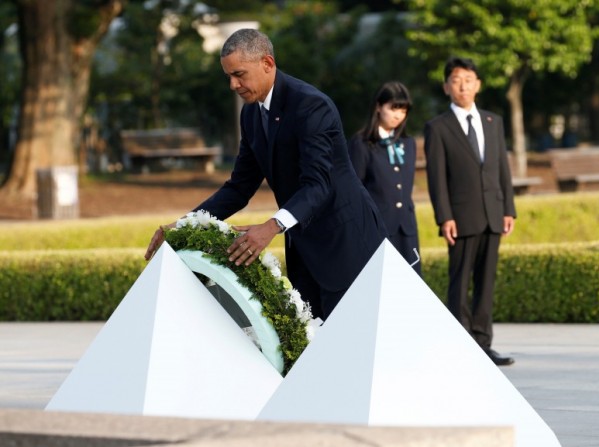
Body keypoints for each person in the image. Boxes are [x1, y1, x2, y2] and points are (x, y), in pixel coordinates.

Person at [144, 29, 387, 320]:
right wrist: (183, 226)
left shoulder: (311, 105)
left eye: (239, 74)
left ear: (267, 63)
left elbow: (318, 185)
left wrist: (271, 226)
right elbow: (239, 187)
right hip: (304, 247)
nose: (233, 85)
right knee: (315, 347)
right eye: (228, 76)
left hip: (347, 241)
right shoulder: (250, 114)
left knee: (352, 342)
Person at [423, 56, 516, 366]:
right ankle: (461, 345)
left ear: (478, 84)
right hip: (461, 218)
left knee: (486, 282)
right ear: (446, 87)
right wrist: (444, 216)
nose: (462, 85)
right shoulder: (438, 127)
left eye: (468, 79)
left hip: (493, 213)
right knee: (460, 281)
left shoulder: (493, 121)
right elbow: (437, 178)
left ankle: (483, 344)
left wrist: (508, 209)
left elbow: (502, 168)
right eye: (456, 80)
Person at [348, 81, 421, 276]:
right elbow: (354, 191)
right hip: (377, 229)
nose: (399, 115)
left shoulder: (408, 143)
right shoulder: (362, 143)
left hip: (406, 229)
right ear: (379, 107)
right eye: (394, 108)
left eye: (404, 109)